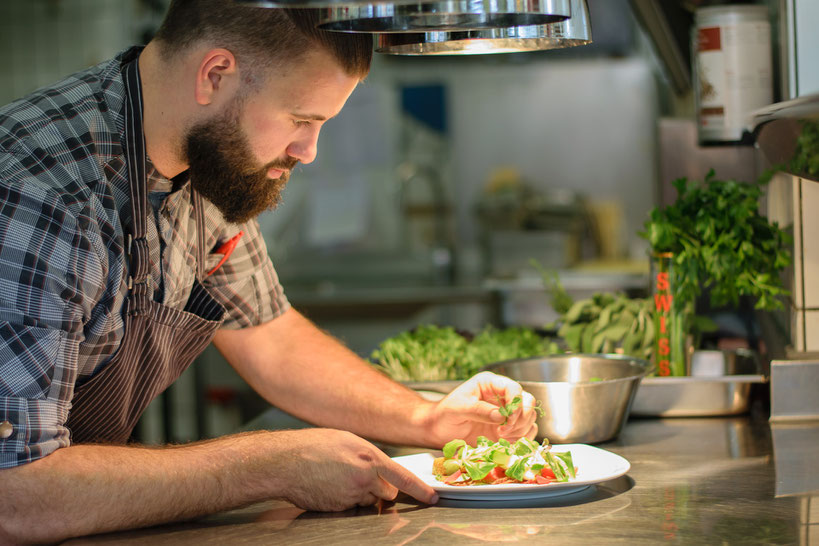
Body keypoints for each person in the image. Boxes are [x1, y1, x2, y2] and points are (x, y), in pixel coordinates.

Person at [0, 1, 539, 542]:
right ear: (215, 75)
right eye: (301, 120)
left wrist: (427, 419)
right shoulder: (45, 193)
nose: (307, 151)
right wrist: (271, 465)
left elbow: (271, 338)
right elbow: (15, 495)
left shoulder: (208, 162)